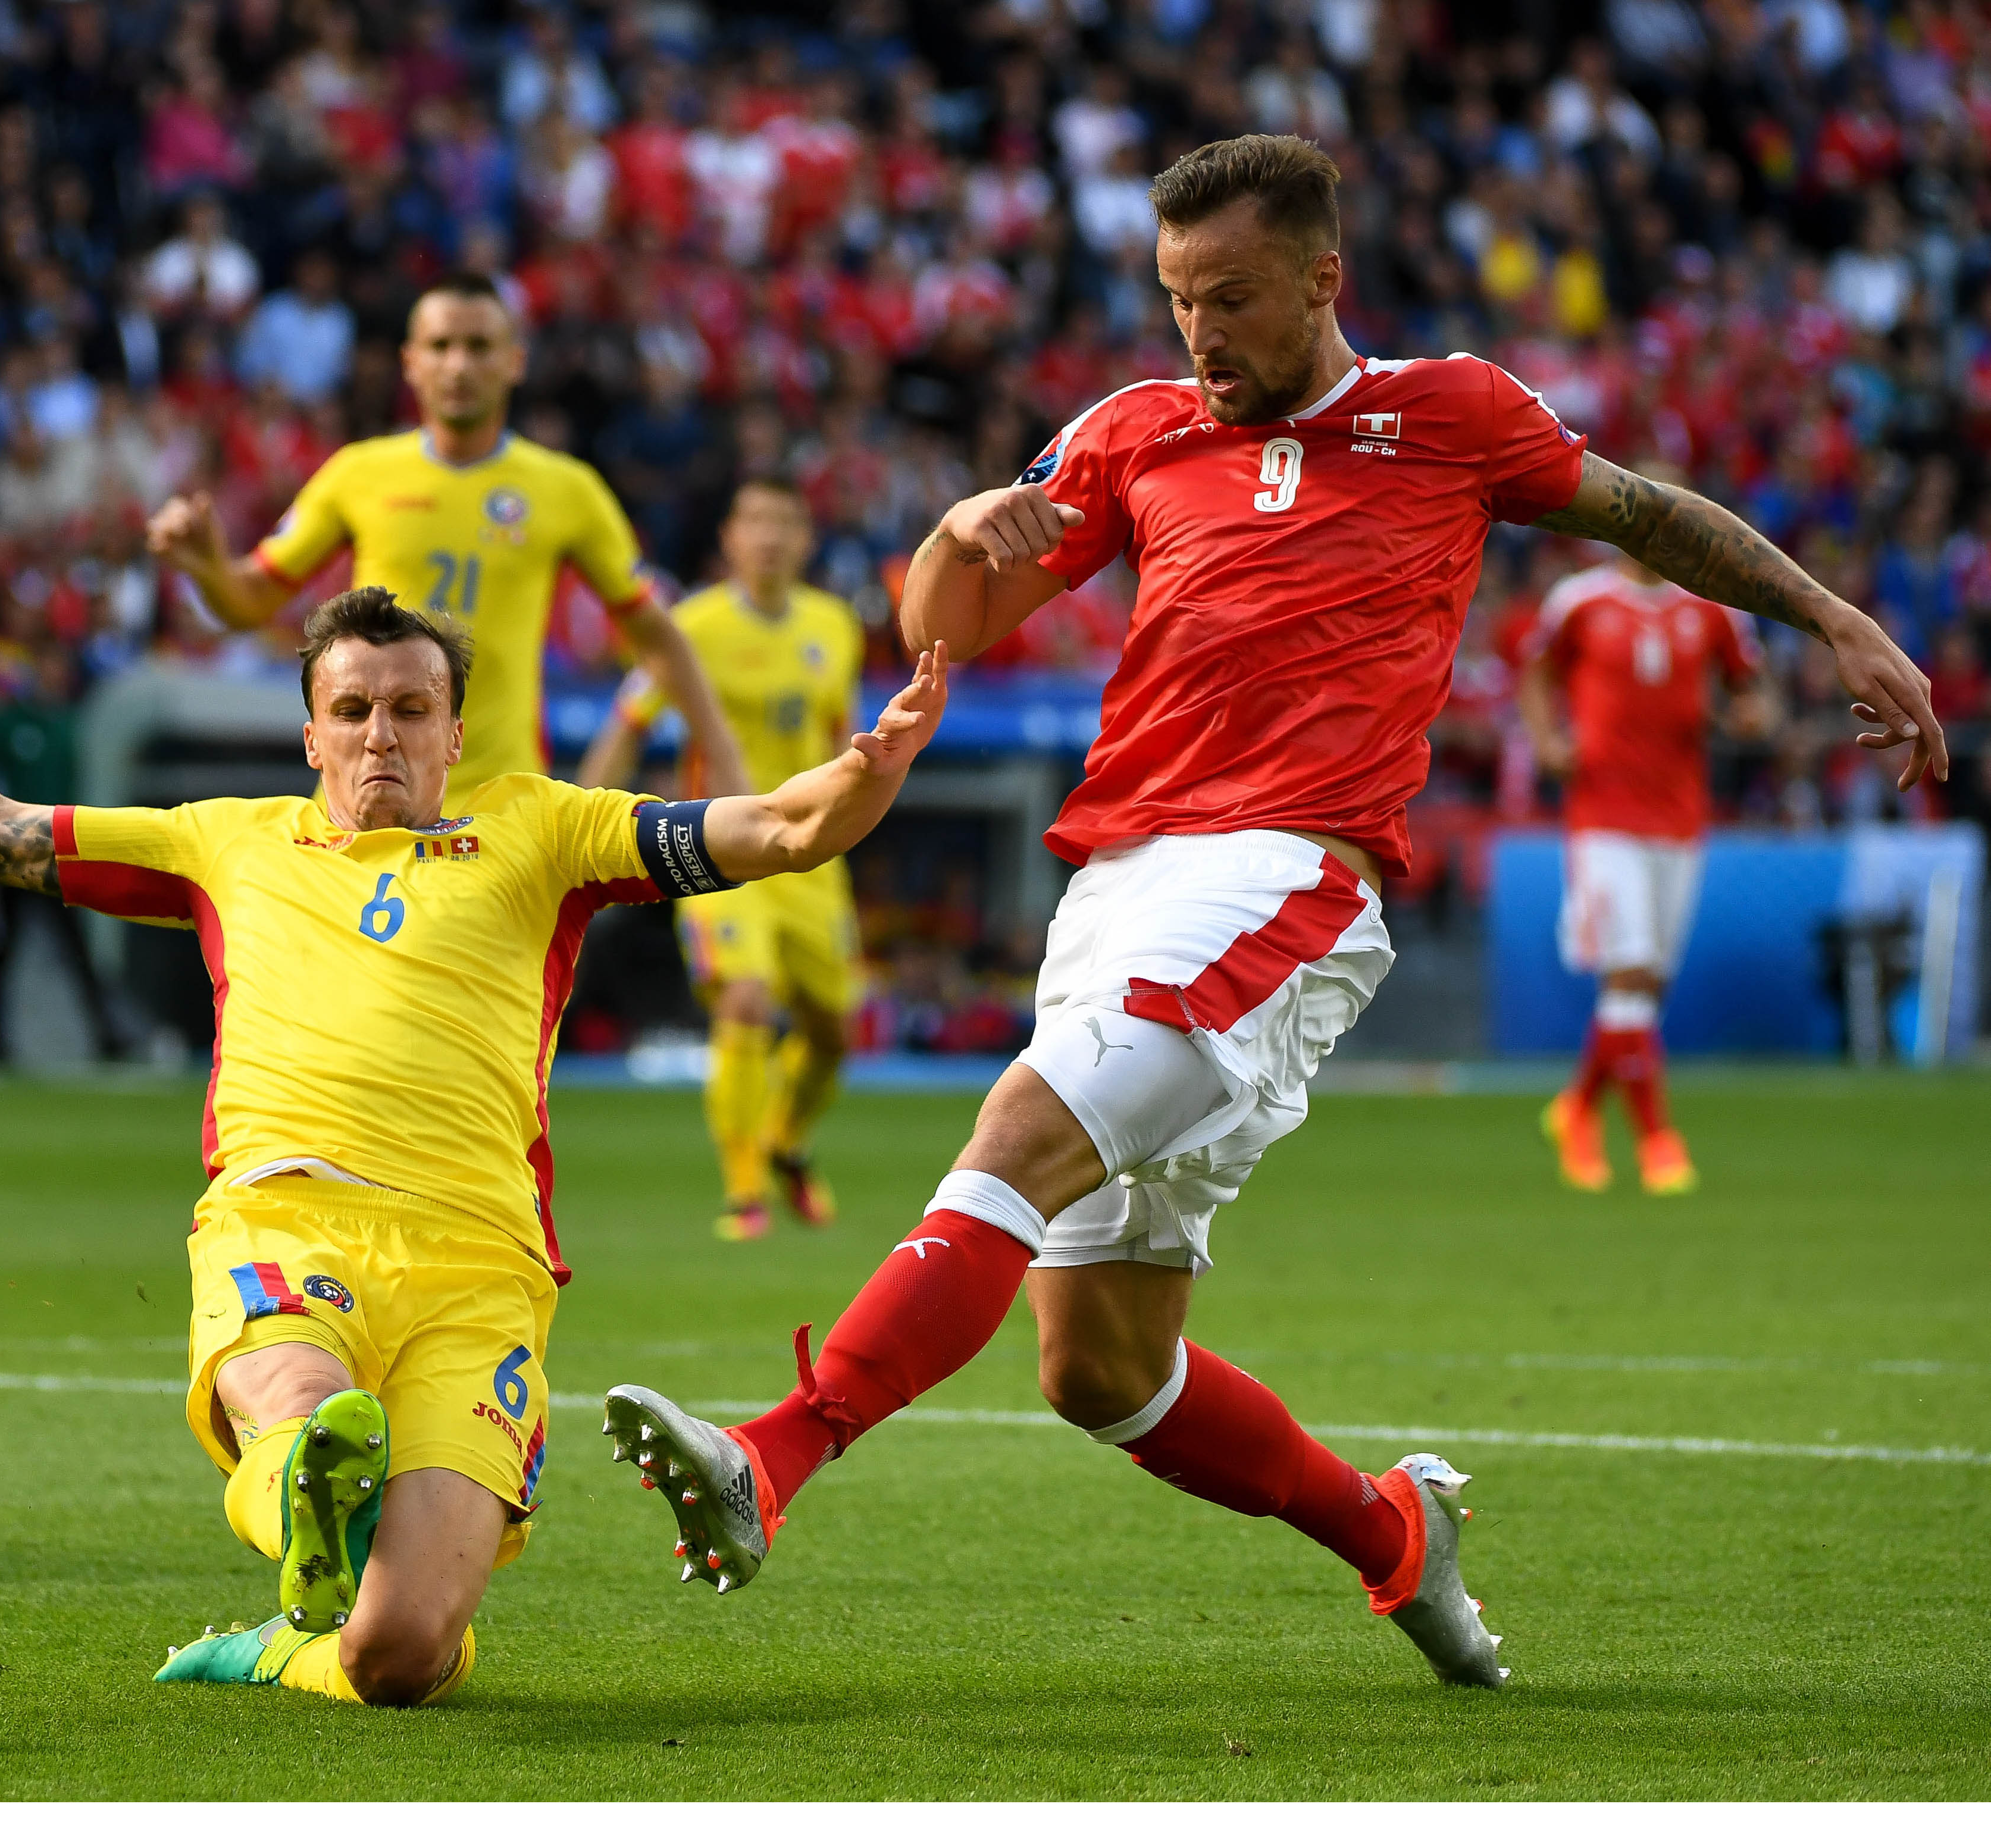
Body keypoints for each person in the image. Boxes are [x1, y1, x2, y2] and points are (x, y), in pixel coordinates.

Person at [601, 134, 1943, 1688]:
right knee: (1097, 1367)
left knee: (1013, 1141)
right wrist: (958, 532)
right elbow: (943, 628)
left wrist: (1836, 617)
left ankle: (773, 1454)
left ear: (1321, 281)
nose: (1200, 334)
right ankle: (1391, 1539)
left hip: (1290, 870)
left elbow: (1644, 515)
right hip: (1114, 881)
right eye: (1177, 300)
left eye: (1229, 298)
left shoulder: (1447, 413)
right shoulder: (1132, 432)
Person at [0, 590, 949, 1710]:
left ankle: (283, 1634)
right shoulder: (227, 842)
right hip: (285, 1219)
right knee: (309, 1410)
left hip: (481, 1270)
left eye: (410, 708)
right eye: (356, 708)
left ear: (454, 729)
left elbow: (775, 828)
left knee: (401, 1656)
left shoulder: (546, 829)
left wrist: (865, 770)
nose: (382, 733)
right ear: (311, 729)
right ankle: (304, 1480)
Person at [145, 271, 750, 800]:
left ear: (515, 360)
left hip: (503, 802)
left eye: (479, 346)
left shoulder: (567, 490)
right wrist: (210, 568)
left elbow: (657, 636)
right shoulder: (359, 473)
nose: (459, 364)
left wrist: (723, 754)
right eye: (441, 346)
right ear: (411, 361)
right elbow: (250, 600)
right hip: (364, 795)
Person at [578, 475, 863, 1242]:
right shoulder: (690, 626)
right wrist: (567, 821)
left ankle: (785, 1140)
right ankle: (746, 1193)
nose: (769, 537)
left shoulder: (835, 626)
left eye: (785, 523)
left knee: (832, 1030)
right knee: (744, 1000)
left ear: (806, 540)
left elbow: (845, 743)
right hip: (722, 847)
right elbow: (628, 720)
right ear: (729, 540)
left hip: (810, 855)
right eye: (755, 522)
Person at [1518, 480, 1771, 1196]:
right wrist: (1547, 740)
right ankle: (1658, 1141)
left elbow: (1750, 689)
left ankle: (1575, 1109)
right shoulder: (1580, 601)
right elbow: (1534, 677)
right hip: (1603, 814)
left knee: (1645, 986)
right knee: (1627, 973)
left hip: (1680, 815)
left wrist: (1749, 715)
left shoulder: (1712, 609)